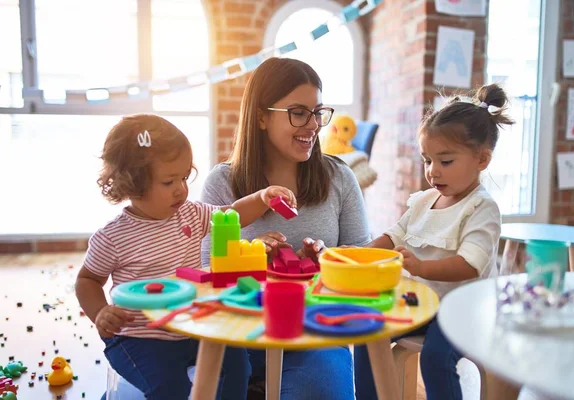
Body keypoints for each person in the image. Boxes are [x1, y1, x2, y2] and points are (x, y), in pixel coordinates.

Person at [75, 114, 296, 400]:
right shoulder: (112, 237)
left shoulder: (190, 213)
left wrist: (262, 197)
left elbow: (232, 215)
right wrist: (100, 312)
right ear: (132, 183)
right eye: (169, 181)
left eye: (183, 177)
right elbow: (87, 280)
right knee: (171, 389)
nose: (181, 188)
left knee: (238, 364)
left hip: (191, 325)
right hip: (138, 337)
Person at [200, 57, 371, 399]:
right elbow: (206, 272)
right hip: (239, 334)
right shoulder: (222, 183)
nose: (312, 126)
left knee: (323, 389)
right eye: (298, 112)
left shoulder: (340, 178)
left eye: (317, 112)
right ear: (261, 116)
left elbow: (360, 260)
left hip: (313, 334)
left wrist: (326, 260)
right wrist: (250, 259)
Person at [354, 84, 514, 400]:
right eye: (427, 160)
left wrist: (422, 266)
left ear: (482, 159)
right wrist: (356, 254)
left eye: (445, 161)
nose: (432, 171)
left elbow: (469, 266)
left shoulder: (482, 209)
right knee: (366, 335)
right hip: (421, 303)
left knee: (435, 358)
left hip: (462, 310)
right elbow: (393, 235)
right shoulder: (424, 200)